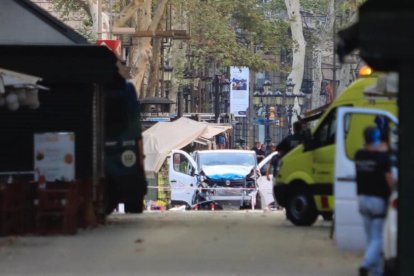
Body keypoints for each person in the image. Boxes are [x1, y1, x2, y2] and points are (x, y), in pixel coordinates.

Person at [355, 127, 395, 276]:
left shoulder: (359, 155)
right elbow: (389, 180)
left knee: (371, 238)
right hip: (378, 201)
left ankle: (376, 271)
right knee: (378, 238)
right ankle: (366, 265)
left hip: (362, 200)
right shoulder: (383, 158)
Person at [265, 143, 282, 209]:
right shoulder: (275, 157)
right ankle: (277, 205)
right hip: (276, 177)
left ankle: (280, 205)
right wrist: (267, 174)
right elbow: (270, 165)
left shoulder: (286, 156)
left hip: (283, 177)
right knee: (275, 191)